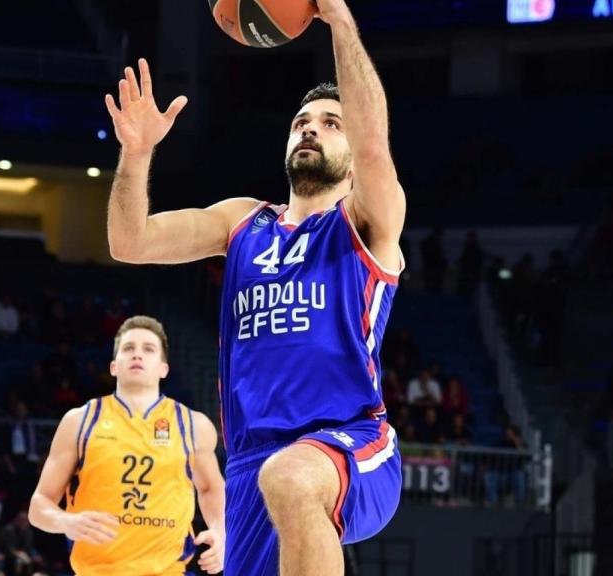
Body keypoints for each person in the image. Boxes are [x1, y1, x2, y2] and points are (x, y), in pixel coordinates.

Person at [104, 1, 404, 573]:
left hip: (349, 440)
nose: (311, 128)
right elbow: (130, 242)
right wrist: (137, 154)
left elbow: (374, 149)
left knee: (289, 476)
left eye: (330, 123)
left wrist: (340, 22)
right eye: (301, 123)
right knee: (277, 477)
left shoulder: (367, 221)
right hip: (248, 464)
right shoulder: (242, 222)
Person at [29, 316, 226, 575]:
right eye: (128, 348)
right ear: (113, 366)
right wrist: (65, 521)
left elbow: (211, 487)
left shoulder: (193, 425)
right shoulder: (80, 421)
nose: (137, 355)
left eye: (148, 349)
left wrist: (222, 533)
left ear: (163, 368)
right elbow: (38, 506)